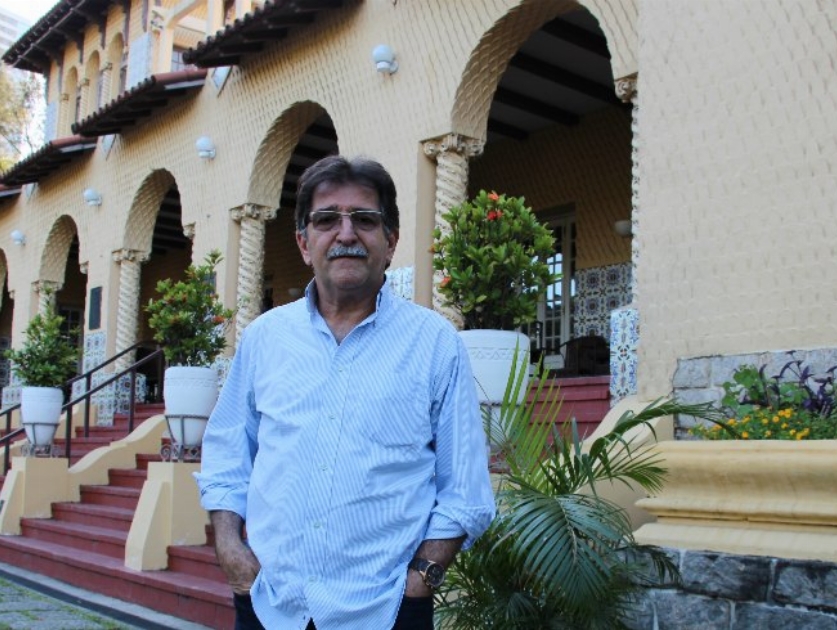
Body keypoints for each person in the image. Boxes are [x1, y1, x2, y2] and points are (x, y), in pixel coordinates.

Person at [195, 155, 496, 630]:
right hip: (272, 605)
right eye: (327, 219)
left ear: (391, 241)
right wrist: (231, 551)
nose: (346, 233)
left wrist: (421, 580)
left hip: (385, 610)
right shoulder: (264, 339)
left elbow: (465, 492)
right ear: (303, 242)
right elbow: (228, 455)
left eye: (365, 220)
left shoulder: (436, 345)